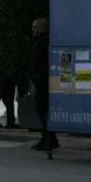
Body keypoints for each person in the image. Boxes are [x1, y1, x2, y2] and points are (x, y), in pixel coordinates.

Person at [31, 17, 58, 151]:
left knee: (44, 110)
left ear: (44, 27)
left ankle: (48, 139)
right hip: (41, 80)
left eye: (36, 27)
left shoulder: (44, 41)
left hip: (43, 81)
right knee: (42, 111)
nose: (33, 29)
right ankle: (48, 138)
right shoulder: (40, 41)